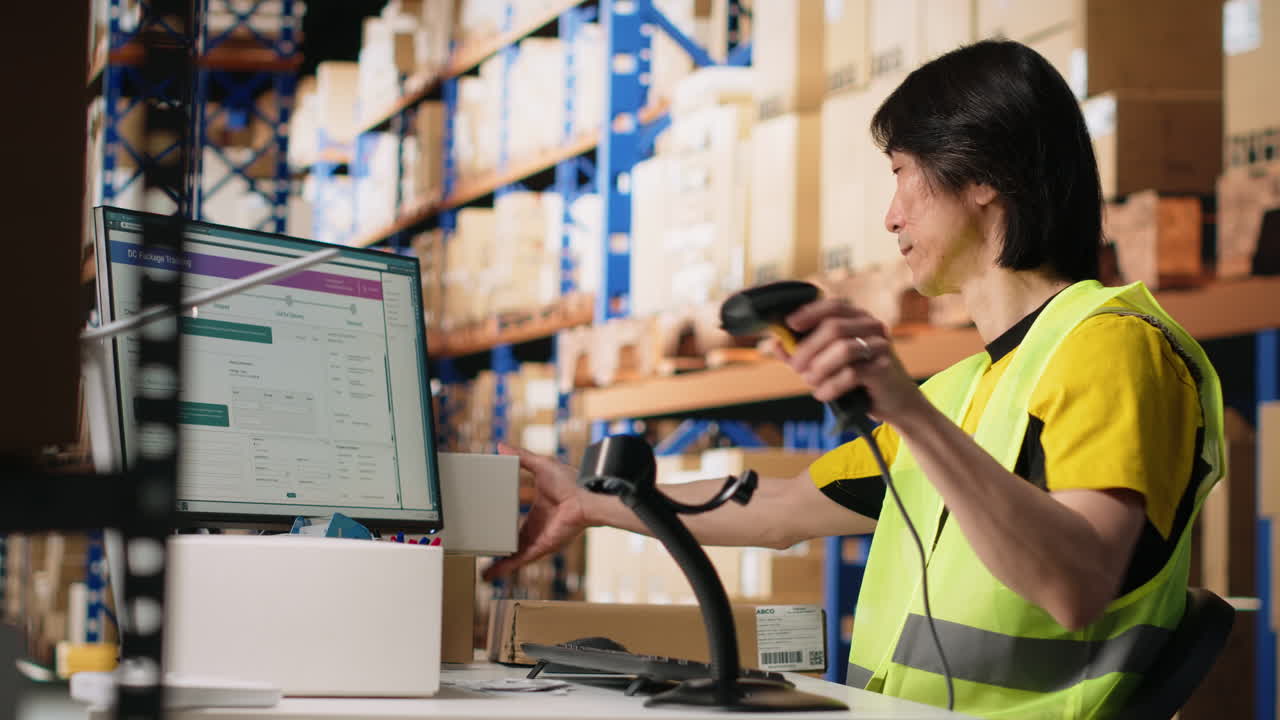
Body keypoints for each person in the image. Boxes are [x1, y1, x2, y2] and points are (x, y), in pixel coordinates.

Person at [483, 40, 1225, 719]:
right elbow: (779, 510)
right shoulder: (967, 387)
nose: (889, 215)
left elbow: (1076, 585)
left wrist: (909, 415)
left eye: (903, 174)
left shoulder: (1113, 346)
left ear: (985, 177)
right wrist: (591, 503)